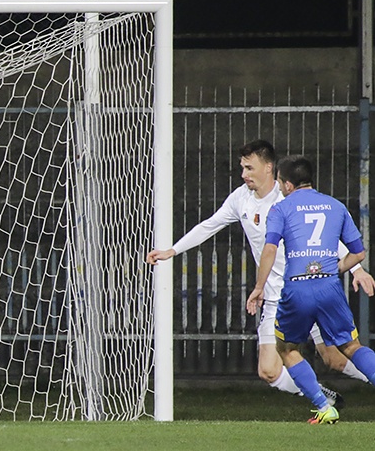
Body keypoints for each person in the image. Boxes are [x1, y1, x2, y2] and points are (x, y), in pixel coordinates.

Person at [147, 140, 374, 406]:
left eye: (249, 168)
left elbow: (322, 238)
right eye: (242, 168)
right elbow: (210, 225)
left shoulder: (287, 200)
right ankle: (324, 396)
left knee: (335, 359)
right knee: (269, 371)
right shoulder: (241, 198)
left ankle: (329, 397)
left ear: (269, 168)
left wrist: (358, 269)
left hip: (303, 288)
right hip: (279, 298)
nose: (244, 174)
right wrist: (172, 251)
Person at [247, 155, 375, 424]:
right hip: (328, 285)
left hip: (297, 288)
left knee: (287, 348)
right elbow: (359, 253)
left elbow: (270, 249)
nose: (280, 188)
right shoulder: (336, 206)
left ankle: (323, 405)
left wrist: (259, 286)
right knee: (351, 346)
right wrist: (336, 268)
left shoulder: (281, 209)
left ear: (288, 184)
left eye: (281, 182)